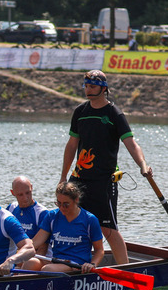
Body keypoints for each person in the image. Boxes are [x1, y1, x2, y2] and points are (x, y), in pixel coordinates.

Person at [60, 69, 151, 265]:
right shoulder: (80, 112)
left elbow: (131, 143)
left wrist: (142, 165)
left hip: (103, 181)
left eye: (92, 86)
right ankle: (75, 264)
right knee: (72, 220)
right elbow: (71, 145)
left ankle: (125, 269)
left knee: (107, 229)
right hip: (78, 178)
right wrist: (63, 177)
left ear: (103, 89)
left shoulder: (114, 114)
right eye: (86, 85)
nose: (87, 89)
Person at [23, 181, 104, 274]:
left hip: (76, 265)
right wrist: (17, 254)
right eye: (58, 203)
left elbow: (99, 250)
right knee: (30, 263)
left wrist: (93, 264)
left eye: (66, 204)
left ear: (76, 199)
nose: (61, 208)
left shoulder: (90, 220)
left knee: (48, 269)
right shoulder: (52, 216)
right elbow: (35, 242)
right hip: (57, 261)